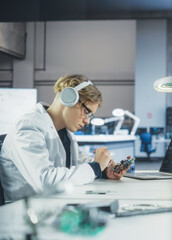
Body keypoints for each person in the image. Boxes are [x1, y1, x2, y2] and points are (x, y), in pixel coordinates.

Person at [0, 74, 129, 202]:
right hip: (25, 213)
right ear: (69, 98)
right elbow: (46, 181)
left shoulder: (65, 132)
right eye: (86, 112)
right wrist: (96, 167)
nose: (87, 121)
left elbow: (78, 164)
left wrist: (105, 170)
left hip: (53, 205)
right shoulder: (28, 127)